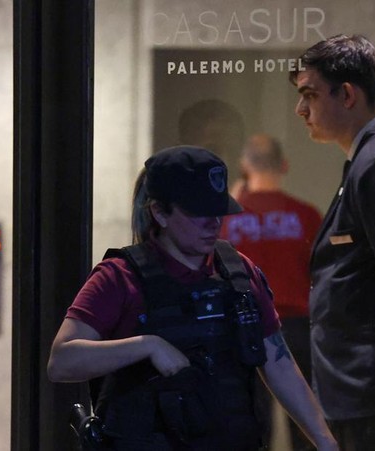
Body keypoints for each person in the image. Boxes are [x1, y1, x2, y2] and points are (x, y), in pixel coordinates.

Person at [47, 145, 337, 451]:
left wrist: (325, 441)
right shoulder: (120, 277)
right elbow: (62, 361)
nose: (213, 223)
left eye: (218, 210)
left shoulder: (238, 273)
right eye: (198, 212)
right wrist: (148, 346)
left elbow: (278, 364)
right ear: (159, 212)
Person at [290, 34, 375, 451]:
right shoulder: (367, 159)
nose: (301, 109)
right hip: (355, 391)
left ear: (347, 94)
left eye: (309, 94)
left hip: (368, 392)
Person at [221, 134, 322, 450]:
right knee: (305, 424)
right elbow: (319, 276)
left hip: (243, 328)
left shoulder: (225, 221)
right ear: (284, 165)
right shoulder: (307, 216)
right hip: (298, 328)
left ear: (243, 166)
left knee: (252, 425)